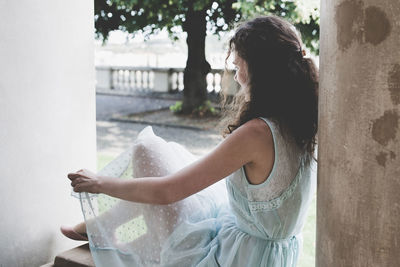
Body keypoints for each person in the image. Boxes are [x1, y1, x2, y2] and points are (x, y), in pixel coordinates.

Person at [62, 15, 318, 267]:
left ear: (259, 71)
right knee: (173, 153)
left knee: (147, 149)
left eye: (239, 67)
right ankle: (105, 226)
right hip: (265, 252)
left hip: (233, 258)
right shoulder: (302, 121)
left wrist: (100, 183)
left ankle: (106, 230)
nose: (238, 78)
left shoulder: (257, 133)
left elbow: (168, 191)